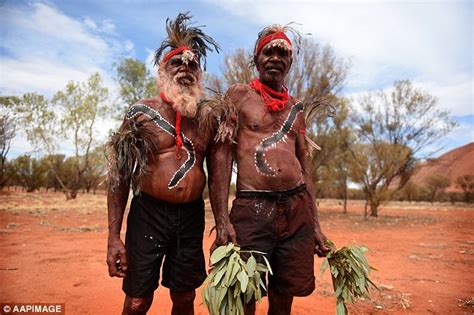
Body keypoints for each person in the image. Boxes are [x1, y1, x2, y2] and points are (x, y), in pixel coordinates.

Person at [208, 25, 330, 315]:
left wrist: (315, 224)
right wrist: (222, 219)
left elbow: (305, 166)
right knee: (246, 292)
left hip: (296, 208)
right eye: (269, 52)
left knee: (284, 293)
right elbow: (222, 159)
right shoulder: (238, 96)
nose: (275, 58)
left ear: (290, 62)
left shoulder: (295, 108)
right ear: (256, 57)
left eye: (282, 53)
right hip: (253, 208)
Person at [106, 13, 221, 315]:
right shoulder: (140, 113)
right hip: (148, 214)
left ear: (200, 74)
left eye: (192, 64)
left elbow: (221, 174)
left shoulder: (209, 118)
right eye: (177, 62)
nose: (185, 67)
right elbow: (119, 175)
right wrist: (113, 237)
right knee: (137, 300)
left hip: (191, 217)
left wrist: (222, 224)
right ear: (163, 70)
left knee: (184, 298)